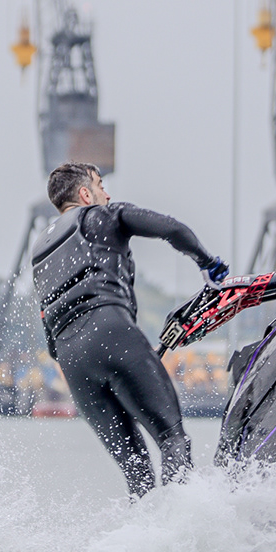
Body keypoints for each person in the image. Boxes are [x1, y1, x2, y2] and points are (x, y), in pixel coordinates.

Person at [32, 162, 230, 498]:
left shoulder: (40, 251)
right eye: (100, 185)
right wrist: (207, 262)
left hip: (72, 362)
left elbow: (49, 336)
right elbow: (172, 228)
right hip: (110, 329)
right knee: (172, 439)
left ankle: (145, 544)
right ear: (85, 193)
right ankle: (185, 531)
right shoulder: (102, 215)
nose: (106, 194)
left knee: (136, 473)